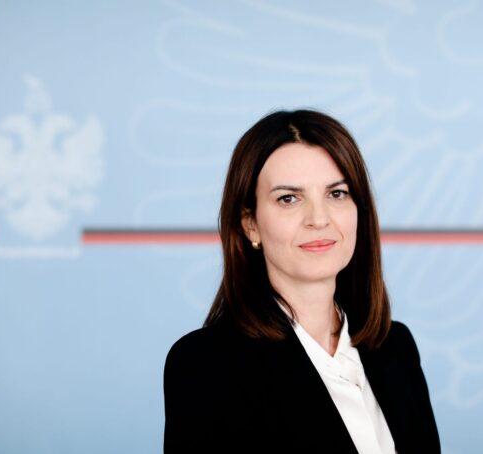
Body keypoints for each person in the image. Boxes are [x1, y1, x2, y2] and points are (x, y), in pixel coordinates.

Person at [163, 110, 440, 453]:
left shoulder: (395, 346)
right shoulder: (206, 366)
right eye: (289, 198)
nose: (318, 219)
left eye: (336, 194)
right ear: (250, 224)